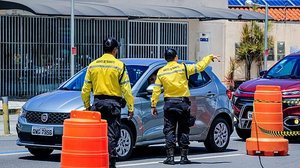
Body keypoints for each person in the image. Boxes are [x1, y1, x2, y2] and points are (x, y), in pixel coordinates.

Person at [151, 48, 220, 165]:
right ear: (176, 57)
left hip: (169, 104)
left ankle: (170, 157)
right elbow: (199, 67)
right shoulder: (183, 68)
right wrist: (209, 57)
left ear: (166, 59)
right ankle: (183, 157)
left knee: (169, 130)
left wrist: (153, 105)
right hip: (183, 104)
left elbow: (156, 89)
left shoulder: (161, 72)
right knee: (183, 129)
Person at [81, 37, 134, 168]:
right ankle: (110, 164)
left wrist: (87, 106)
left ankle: (95, 162)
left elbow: (85, 89)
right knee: (112, 135)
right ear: (115, 50)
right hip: (113, 105)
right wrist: (131, 107)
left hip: (97, 104)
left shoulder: (93, 65)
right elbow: (126, 89)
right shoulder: (119, 65)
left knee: (97, 135)